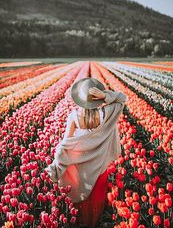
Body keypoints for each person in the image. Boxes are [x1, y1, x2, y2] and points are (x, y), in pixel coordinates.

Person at [45, 77, 127, 227]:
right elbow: (122, 99)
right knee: (96, 193)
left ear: (80, 99)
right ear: (96, 99)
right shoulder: (106, 113)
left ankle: (79, 221)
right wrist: (105, 96)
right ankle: (95, 221)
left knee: (80, 190)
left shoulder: (74, 116)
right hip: (100, 163)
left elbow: (66, 142)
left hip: (79, 162)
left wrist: (57, 163)